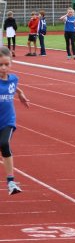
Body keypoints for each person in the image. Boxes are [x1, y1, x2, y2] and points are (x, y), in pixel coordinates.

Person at [0, 46, 30, 195]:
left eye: (7, 64)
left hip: (8, 121)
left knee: (4, 144)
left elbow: (14, 86)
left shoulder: (13, 78)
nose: (4, 68)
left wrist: (21, 94)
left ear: (11, 64)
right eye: (0, 65)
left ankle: (11, 182)